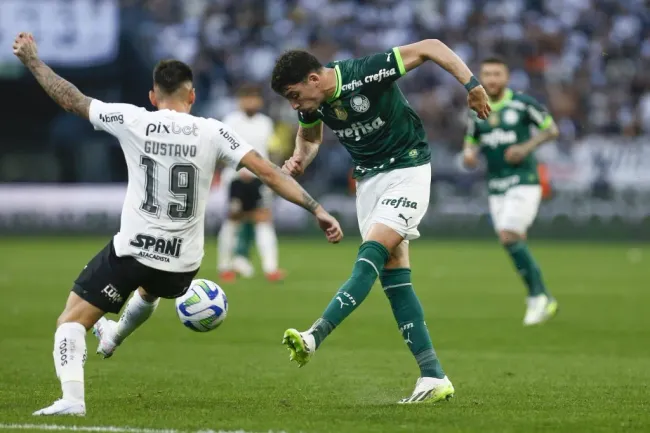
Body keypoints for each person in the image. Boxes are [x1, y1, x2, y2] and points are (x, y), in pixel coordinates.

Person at [12, 32, 342, 417]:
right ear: (192, 96)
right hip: (183, 266)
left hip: (135, 249)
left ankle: (72, 399)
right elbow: (269, 172)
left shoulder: (133, 118)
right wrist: (316, 208)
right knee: (150, 291)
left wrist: (33, 61)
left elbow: (72, 99)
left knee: (70, 321)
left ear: (153, 97)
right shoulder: (214, 131)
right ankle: (113, 336)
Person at [270, 39, 490, 404]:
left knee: (369, 254)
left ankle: (314, 335)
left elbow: (432, 47)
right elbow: (310, 136)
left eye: (295, 95)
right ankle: (433, 375)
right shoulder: (314, 103)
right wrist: (299, 158)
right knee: (393, 274)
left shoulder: (365, 73)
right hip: (368, 182)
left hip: (407, 169)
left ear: (313, 78)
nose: (294, 105)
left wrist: (473, 85)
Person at [463, 57, 560, 326]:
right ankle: (541, 297)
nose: (492, 79)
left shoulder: (522, 103)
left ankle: (538, 297)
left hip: (525, 180)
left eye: (497, 74)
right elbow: (470, 141)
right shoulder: (477, 107)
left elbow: (551, 129)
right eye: (487, 74)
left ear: (506, 77)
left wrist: (525, 148)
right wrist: (469, 155)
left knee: (509, 234)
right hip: (496, 186)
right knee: (511, 240)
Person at [217, 84, 284, 282]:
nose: (251, 102)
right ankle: (225, 267)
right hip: (236, 179)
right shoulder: (230, 121)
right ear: (240, 100)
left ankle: (271, 268)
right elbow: (220, 151)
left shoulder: (266, 123)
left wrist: (273, 171)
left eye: (254, 98)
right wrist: (239, 168)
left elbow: (271, 150)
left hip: (259, 179)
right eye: (247, 98)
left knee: (263, 219)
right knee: (233, 220)